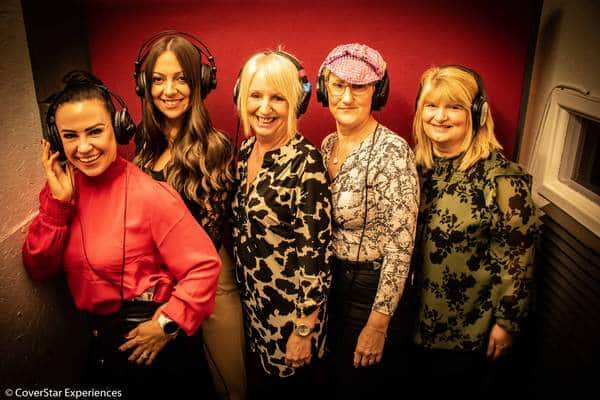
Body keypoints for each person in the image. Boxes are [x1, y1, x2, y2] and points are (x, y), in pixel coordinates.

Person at [22, 71, 220, 397]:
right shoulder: (59, 191)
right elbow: (38, 268)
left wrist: (166, 325)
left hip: (151, 347)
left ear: (117, 128)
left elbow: (204, 267)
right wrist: (59, 205)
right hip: (101, 345)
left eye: (95, 132)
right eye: (70, 136)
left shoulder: (151, 195)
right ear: (56, 140)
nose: (83, 147)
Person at [410, 65, 540, 395]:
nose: (440, 117)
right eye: (431, 105)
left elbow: (517, 259)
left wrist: (506, 324)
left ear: (477, 114)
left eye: (454, 107)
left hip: (469, 335)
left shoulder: (502, 179)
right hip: (411, 328)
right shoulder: (415, 168)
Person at [133, 31, 246, 400]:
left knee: (229, 388)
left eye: (181, 78)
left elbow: (208, 237)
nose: (170, 89)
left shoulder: (213, 146)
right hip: (164, 284)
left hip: (210, 279)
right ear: (144, 86)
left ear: (199, 84)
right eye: (159, 80)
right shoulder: (144, 147)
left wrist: (177, 304)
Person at [316, 43, 419, 396]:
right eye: (338, 85)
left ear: (377, 90)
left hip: (370, 292)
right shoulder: (327, 145)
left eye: (358, 86)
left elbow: (401, 246)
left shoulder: (393, 152)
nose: (346, 96)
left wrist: (378, 324)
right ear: (322, 88)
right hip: (331, 288)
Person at [231, 49, 332, 398]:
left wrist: (303, 332)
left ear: (295, 104)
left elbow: (315, 256)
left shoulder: (307, 163)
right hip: (254, 314)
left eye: (277, 98)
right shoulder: (245, 154)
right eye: (256, 96)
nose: (264, 107)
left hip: (290, 324)